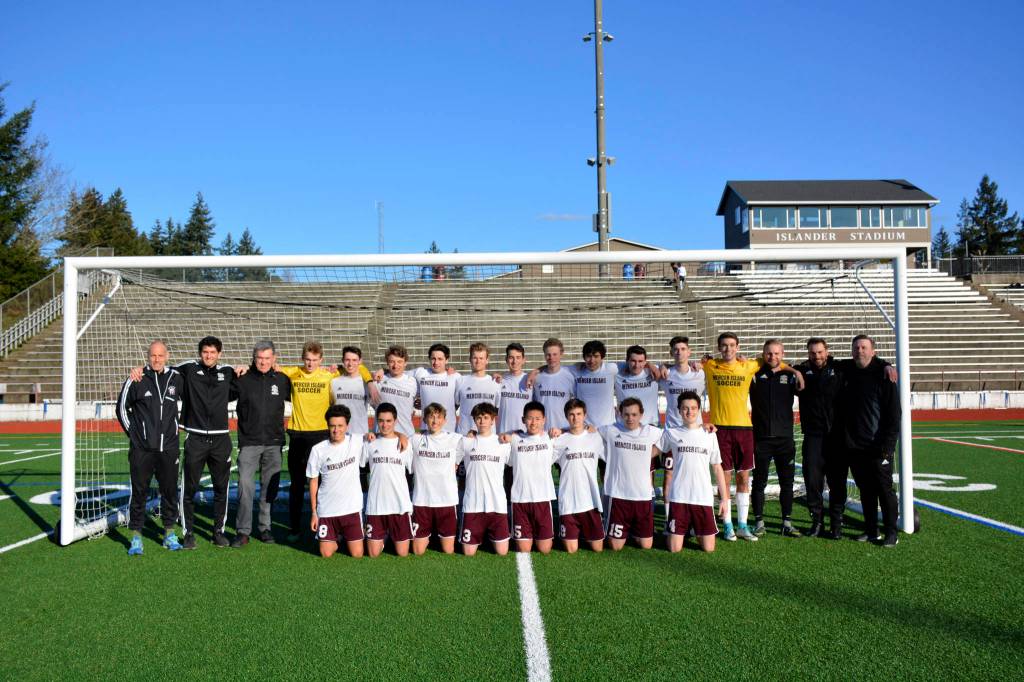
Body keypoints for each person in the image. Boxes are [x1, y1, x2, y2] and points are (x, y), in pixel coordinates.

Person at [129, 335, 237, 549]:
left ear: (219, 354)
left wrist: (244, 368)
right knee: (188, 489)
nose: (209, 356)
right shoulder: (186, 369)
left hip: (221, 439)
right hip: (195, 437)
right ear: (200, 353)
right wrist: (139, 369)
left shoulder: (228, 372)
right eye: (205, 352)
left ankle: (218, 531)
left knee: (221, 488)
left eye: (213, 352)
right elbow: (161, 369)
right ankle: (188, 533)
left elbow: (244, 381)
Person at [702, 332, 800, 542]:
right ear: (719, 348)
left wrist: (795, 371)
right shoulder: (710, 365)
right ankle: (728, 524)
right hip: (720, 429)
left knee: (744, 477)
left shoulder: (750, 365)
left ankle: (743, 525)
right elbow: (687, 366)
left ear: (738, 347)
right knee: (724, 477)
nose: (728, 349)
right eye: (724, 346)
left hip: (745, 429)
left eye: (732, 345)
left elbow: (776, 362)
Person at [277, 340, 357, 543]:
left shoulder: (330, 375)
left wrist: (373, 377)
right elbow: (272, 365)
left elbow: (357, 367)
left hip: (322, 435)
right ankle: (295, 528)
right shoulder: (293, 372)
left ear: (321, 360)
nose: (310, 364)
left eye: (314, 360)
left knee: (323, 483)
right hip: (298, 435)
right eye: (307, 360)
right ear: (302, 359)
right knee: (296, 485)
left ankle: (324, 526)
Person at [116, 340, 185, 555]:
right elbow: (121, 409)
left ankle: (169, 533)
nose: (156, 359)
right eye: (153, 356)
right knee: (139, 492)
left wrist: (178, 426)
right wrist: (135, 436)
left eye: (160, 355)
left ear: (167, 356)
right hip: (142, 449)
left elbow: (190, 403)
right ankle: (136, 536)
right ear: (148, 356)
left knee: (169, 491)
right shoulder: (136, 379)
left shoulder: (177, 378)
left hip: (169, 448)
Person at [835, 335, 902, 547]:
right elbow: (825, 360)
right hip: (855, 446)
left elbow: (894, 416)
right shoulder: (848, 369)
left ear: (873, 351)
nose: (859, 351)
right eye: (856, 348)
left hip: (878, 446)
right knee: (865, 490)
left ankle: (892, 532)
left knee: (884, 489)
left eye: (864, 347)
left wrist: (887, 448)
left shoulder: (884, 376)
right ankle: (871, 530)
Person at [231, 339, 291, 547]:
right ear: (253, 359)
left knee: (269, 488)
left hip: (274, 442)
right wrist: (233, 372)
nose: (263, 362)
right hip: (249, 442)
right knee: (245, 487)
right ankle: (243, 531)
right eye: (259, 358)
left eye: (267, 358)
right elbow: (219, 389)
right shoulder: (242, 379)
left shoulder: (283, 380)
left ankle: (265, 527)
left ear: (274, 359)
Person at [660, 391, 729, 553]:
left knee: (708, 549)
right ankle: (687, 528)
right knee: (674, 549)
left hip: (702, 498)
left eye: (693, 408)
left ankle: (693, 528)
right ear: (679, 410)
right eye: (685, 408)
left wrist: (724, 499)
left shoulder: (709, 434)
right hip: (679, 498)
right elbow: (655, 449)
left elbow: (718, 468)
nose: (689, 412)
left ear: (699, 410)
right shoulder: (671, 433)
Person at [749, 340, 801, 538]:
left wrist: (798, 373)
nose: (773, 357)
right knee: (759, 482)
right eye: (769, 353)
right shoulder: (753, 374)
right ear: (763, 354)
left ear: (783, 354)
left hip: (785, 440)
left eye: (777, 353)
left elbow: (805, 388)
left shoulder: (790, 375)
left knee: (786, 483)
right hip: (761, 439)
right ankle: (759, 522)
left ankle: (787, 522)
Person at [794, 337, 844, 538]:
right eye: (813, 353)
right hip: (813, 436)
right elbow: (778, 364)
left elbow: (865, 363)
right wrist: (795, 372)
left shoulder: (840, 368)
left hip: (836, 436)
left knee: (837, 481)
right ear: (808, 353)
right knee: (813, 480)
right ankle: (817, 521)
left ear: (827, 351)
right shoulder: (802, 369)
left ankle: (836, 523)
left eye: (820, 352)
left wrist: (886, 365)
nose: (817, 356)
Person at [600, 398, 663, 551]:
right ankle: (622, 529)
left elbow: (669, 439)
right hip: (618, 496)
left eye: (634, 414)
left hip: (642, 496)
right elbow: (586, 431)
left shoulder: (651, 432)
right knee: (615, 546)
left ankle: (633, 529)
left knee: (646, 545)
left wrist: (650, 454)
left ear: (641, 414)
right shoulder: (611, 430)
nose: (630, 418)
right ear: (620, 414)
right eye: (626, 414)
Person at [308, 405, 366, 559]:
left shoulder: (356, 441)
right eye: (332, 426)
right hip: (327, 510)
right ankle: (338, 537)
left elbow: (383, 434)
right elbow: (313, 481)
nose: (336, 430)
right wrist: (314, 513)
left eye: (340, 426)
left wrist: (400, 436)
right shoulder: (318, 450)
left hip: (351, 509)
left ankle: (343, 535)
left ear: (347, 425)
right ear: (327, 425)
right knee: (325, 553)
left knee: (357, 554)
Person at [360, 402, 414, 557]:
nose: (385, 425)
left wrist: (401, 435)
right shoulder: (369, 443)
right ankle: (384, 538)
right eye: (381, 421)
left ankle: (392, 535)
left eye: (389, 421)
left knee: (403, 553)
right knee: (373, 554)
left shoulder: (405, 444)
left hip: (399, 505)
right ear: (376, 421)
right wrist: (366, 435)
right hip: (376, 506)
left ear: (395, 422)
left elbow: (412, 468)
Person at [551, 399, 605, 553]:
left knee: (597, 548)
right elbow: (544, 460)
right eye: (571, 415)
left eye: (579, 414)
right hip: (569, 502)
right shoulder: (559, 440)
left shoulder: (596, 438)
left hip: (591, 501)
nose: (576, 418)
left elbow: (613, 456)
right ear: (567, 417)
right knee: (571, 550)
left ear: (585, 415)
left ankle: (585, 531)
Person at [410, 403, 464, 555]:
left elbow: (471, 445)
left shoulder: (455, 439)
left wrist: (456, 462)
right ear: (425, 419)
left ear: (445, 421)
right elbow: (397, 440)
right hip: (422, 501)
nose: (435, 421)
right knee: (417, 551)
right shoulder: (416, 439)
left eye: (439, 417)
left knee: (448, 550)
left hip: (446, 501)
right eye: (431, 417)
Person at [459, 402, 512, 556]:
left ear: (493, 420)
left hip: (497, 504)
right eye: (479, 418)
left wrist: (512, 437)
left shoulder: (503, 443)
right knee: (468, 553)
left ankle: (488, 535)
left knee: (502, 552)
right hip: (473, 505)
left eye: (486, 417)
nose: (482, 421)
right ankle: (481, 534)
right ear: (475, 420)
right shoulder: (466, 442)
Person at [504, 401, 557, 554]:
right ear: (523, 420)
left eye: (537, 418)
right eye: (530, 418)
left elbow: (574, 433)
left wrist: (587, 427)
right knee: (523, 549)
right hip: (520, 500)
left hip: (542, 499)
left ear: (544, 420)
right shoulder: (514, 439)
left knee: (545, 549)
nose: (533, 422)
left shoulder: (550, 438)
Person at [330, 345, 378, 436]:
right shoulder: (333, 382)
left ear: (360, 361)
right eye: (347, 360)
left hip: (360, 435)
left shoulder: (367, 384)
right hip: (339, 435)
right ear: (342, 361)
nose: (350, 364)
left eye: (354, 360)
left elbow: (379, 408)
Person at [658, 336, 706, 429]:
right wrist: (662, 366)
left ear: (689, 352)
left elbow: (714, 363)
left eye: (683, 349)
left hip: (695, 428)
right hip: (672, 429)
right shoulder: (665, 374)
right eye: (676, 349)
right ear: (671, 353)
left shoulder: (700, 373)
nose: (679, 352)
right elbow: (643, 366)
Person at [411, 343, 461, 431]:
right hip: (426, 430)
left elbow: (459, 402)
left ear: (447, 360)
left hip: (448, 431)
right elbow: (398, 372)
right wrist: (383, 370)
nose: (436, 362)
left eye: (440, 359)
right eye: (433, 359)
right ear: (429, 359)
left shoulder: (456, 377)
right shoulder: (420, 373)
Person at [455, 343, 501, 435]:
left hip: (488, 437)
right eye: (475, 358)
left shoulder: (496, 383)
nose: (478, 361)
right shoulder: (460, 381)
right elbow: (454, 406)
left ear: (487, 360)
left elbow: (498, 410)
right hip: (464, 435)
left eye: (481, 358)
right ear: (470, 359)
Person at [531, 338, 576, 430]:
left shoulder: (570, 376)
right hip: (541, 431)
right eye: (548, 355)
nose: (551, 358)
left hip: (563, 430)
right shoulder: (536, 377)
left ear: (561, 354)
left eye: (555, 354)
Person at [374, 344, 418, 436]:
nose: (395, 365)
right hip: (382, 435)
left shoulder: (413, 382)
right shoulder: (378, 380)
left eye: (399, 361)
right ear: (387, 362)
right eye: (392, 361)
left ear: (405, 362)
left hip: (407, 435)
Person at [613, 345, 660, 426]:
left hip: (650, 425)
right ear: (627, 361)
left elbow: (671, 367)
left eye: (640, 361)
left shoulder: (653, 371)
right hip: (625, 426)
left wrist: (658, 366)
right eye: (633, 361)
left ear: (645, 361)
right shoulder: (616, 371)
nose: (637, 365)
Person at [496, 343, 532, 435]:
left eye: (518, 357)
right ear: (506, 360)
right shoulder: (499, 381)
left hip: (524, 435)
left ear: (524, 360)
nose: (514, 361)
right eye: (511, 357)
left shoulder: (531, 381)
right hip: (503, 434)